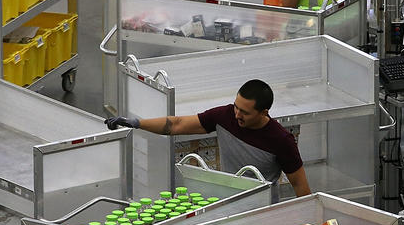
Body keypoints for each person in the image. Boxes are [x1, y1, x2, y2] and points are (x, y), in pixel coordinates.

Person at [105, 78, 311, 197]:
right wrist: (137, 123)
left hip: (261, 207)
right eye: (236, 107)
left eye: (245, 112)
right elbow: (176, 124)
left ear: (264, 112)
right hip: (226, 197)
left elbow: (300, 185)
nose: (237, 115)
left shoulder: (281, 140)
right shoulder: (224, 116)